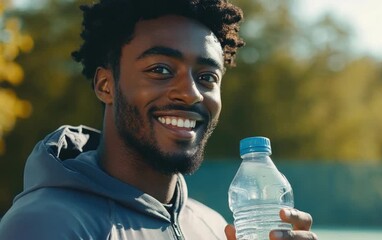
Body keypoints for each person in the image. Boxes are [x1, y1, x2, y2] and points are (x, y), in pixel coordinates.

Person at [0, 0, 317, 239]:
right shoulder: (46, 224)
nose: (191, 94)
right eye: (161, 70)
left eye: (207, 77)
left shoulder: (213, 227)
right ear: (105, 85)